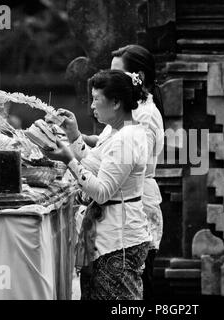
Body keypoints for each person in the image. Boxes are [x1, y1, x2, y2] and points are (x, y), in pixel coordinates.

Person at [45, 69, 151, 300]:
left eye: (96, 99)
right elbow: (93, 165)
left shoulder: (128, 138)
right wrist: (73, 136)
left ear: (115, 102)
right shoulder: (113, 131)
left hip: (118, 240)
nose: (92, 105)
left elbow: (102, 191)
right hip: (104, 237)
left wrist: (69, 160)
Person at [71, 44, 165, 300]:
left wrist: (71, 158)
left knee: (128, 291)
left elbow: (110, 174)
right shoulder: (123, 121)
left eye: (117, 74)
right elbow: (102, 153)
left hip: (129, 211)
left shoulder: (139, 120)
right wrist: (74, 139)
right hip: (115, 210)